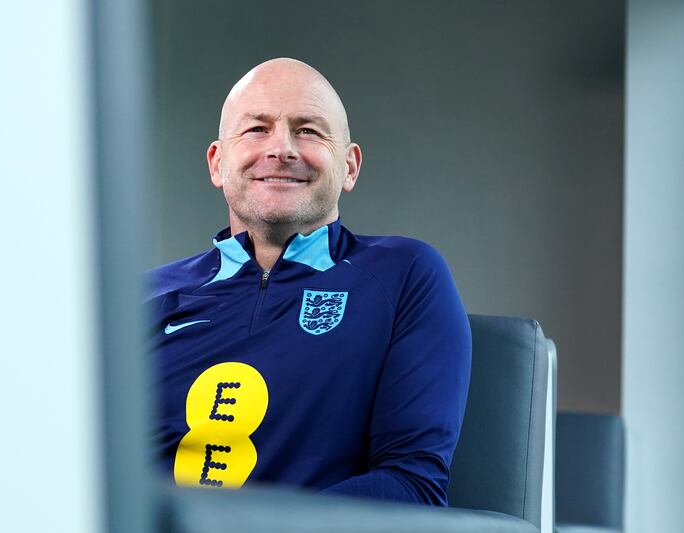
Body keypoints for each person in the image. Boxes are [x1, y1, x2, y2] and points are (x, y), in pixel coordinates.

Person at [146, 58, 471, 506]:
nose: (282, 149)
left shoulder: (403, 275)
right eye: (256, 129)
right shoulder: (140, 298)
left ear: (349, 166)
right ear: (217, 164)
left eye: (308, 131)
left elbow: (413, 486)